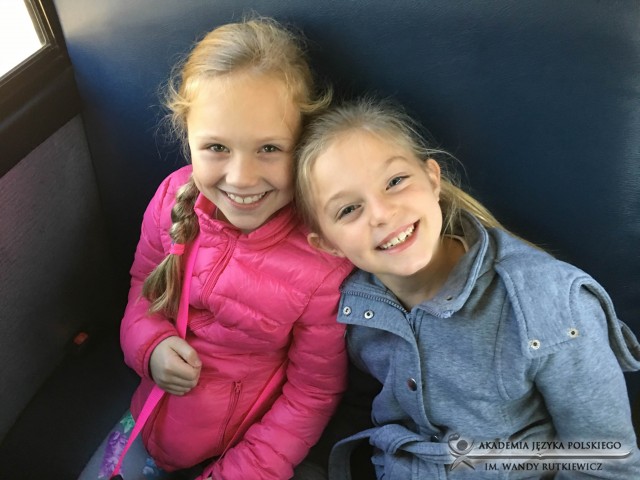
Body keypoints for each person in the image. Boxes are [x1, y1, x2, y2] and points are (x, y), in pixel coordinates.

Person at [294, 98, 640, 479]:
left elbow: (607, 465)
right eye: (348, 209)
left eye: (395, 182)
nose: (381, 214)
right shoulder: (350, 309)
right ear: (328, 244)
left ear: (432, 179)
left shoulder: (552, 305)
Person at [79, 17, 353, 480]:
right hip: (146, 419)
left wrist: (242, 471)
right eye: (216, 147)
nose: (241, 178)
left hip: (243, 455)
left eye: (269, 148)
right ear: (187, 136)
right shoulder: (171, 198)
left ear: (305, 143)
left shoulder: (323, 259)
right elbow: (144, 290)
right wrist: (150, 347)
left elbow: (312, 393)